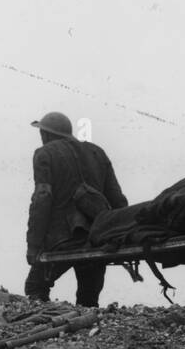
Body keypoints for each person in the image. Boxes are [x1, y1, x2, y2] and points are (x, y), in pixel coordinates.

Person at [24, 112, 128, 307]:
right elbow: (118, 200)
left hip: (62, 240)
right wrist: (120, 235)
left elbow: (42, 198)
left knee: (35, 288)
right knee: (89, 300)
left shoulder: (44, 154)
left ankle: (46, 333)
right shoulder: (97, 152)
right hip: (97, 239)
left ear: (46, 135)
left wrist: (34, 245)